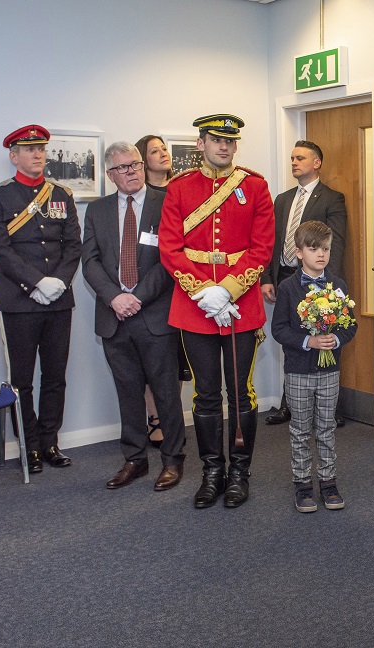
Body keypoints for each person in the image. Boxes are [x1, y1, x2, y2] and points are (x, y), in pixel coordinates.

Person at [159, 114, 274, 509]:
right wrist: (203, 291)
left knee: (241, 393)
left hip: (241, 306)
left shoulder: (255, 185)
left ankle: (240, 473)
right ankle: (212, 472)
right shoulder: (179, 188)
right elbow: (170, 248)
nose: (223, 147)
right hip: (195, 309)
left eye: (230, 141)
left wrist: (227, 290)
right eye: (215, 140)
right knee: (206, 395)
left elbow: (262, 248)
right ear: (201, 143)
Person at [81, 142, 187, 491]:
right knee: (127, 392)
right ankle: (135, 459)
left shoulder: (165, 201)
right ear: (110, 174)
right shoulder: (96, 211)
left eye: (135, 165)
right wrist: (115, 298)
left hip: (154, 314)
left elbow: (170, 260)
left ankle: (172, 460)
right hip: (114, 317)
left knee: (166, 392)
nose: (130, 172)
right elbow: (90, 261)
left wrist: (136, 298)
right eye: (122, 167)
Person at [0, 125, 80, 474]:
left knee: (55, 375)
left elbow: (72, 245)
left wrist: (59, 282)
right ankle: (29, 445)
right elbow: (1, 251)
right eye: (29, 150)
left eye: (41, 149)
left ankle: (50, 440)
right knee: (22, 378)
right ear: (14, 156)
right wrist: (36, 282)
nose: (37, 155)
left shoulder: (61, 194)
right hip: (18, 300)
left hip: (58, 300)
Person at [271, 221, 357, 512]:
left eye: (326, 249)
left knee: (326, 427)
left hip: (330, 370)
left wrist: (336, 338)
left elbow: (351, 325)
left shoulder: (338, 286)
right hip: (298, 370)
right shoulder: (287, 288)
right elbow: (279, 329)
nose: (321, 254)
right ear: (299, 252)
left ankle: (328, 481)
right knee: (299, 429)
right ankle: (303, 485)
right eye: (314, 248)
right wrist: (308, 341)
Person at [262, 140, 347, 427]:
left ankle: (329, 408)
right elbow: (271, 241)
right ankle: (290, 405)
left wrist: (327, 285)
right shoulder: (283, 199)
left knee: (324, 334)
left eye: (300, 158)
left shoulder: (331, 198)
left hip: (318, 280)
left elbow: (334, 244)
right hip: (286, 278)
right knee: (292, 340)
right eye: (292, 158)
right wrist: (266, 278)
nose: (294, 162)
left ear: (316, 163)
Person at [134, 134, 191, 447]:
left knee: (176, 361)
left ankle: (172, 417)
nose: (163, 154)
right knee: (150, 361)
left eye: (164, 148)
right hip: (150, 287)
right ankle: (155, 419)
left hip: (181, 286)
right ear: (143, 160)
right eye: (154, 151)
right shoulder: (140, 194)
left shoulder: (181, 189)